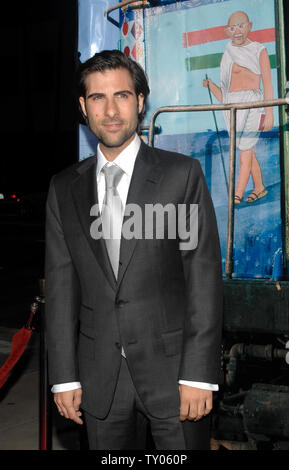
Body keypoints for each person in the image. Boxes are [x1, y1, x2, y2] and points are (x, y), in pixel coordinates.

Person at [45, 49, 223, 450]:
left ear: (141, 102)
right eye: (97, 98)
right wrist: (65, 376)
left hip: (174, 376)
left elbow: (203, 278)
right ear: (82, 106)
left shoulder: (182, 175)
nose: (110, 110)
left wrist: (198, 374)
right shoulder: (63, 188)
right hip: (98, 381)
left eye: (122, 95)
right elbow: (60, 290)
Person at [203, 11, 274, 204]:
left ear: (249, 26)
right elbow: (225, 95)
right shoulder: (227, 54)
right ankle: (259, 187)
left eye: (241, 26)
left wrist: (269, 113)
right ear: (227, 32)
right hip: (232, 107)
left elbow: (267, 83)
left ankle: (237, 194)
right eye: (233, 28)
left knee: (244, 151)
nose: (238, 31)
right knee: (247, 149)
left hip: (253, 105)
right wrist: (211, 86)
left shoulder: (260, 50)